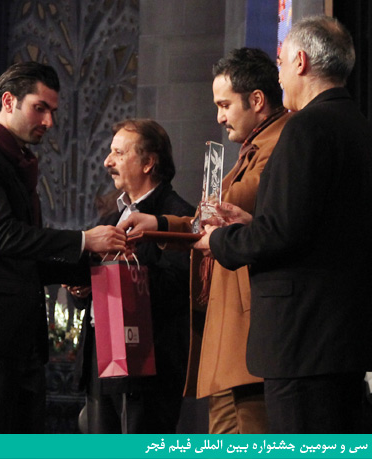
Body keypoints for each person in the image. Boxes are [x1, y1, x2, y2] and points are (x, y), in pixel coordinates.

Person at [194, 16, 372, 433]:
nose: (280, 76)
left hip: (301, 338)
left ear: (300, 61)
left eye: (281, 63)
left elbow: (281, 234)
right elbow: (316, 226)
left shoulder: (305, 128)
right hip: (347, 335)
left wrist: (221, 240)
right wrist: (256, 221)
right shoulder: (364, 129)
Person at [0, 61, 127, 434]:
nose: (49, 121)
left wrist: (95, 266)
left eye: (52, 111)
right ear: (9, 101)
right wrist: (84, 240)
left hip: (21, 337)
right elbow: (4, 237)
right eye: (39, 108)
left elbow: (29, 257)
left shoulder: (15, 163)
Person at [120, 48, 291, 433]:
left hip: (250, 333)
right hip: (228, 335)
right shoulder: (254, 147)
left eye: (224, 105)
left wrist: (179, 219)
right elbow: (209, 217)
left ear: (257, 100)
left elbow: (230, 207)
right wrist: (160, 222)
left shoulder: (282, 143)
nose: (219, 117)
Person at [71, 119, 195, 433]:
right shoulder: (112, 216)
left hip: (148, 367)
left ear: (148, 162)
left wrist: (122, 274)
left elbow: (178, 287)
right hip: (101, 359)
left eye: (118, 153)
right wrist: (82, 287)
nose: (106, 162)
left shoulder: (178, 215)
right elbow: (96, 289)